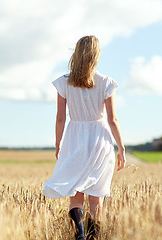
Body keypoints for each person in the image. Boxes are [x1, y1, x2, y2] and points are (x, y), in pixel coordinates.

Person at [42, 35, 126, 240]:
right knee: (96, 198)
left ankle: (79, 234)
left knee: (76, 196)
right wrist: (122, 148)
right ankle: (93, 238)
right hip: (100, 139)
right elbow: (113, 119)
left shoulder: (64, 82)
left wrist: (58, 142)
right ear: (96, 55)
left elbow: (60, 117)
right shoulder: (105, 82)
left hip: (74, 138)